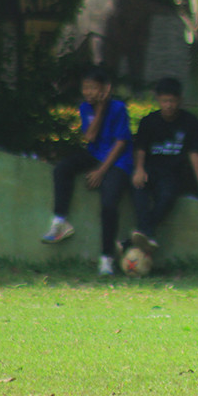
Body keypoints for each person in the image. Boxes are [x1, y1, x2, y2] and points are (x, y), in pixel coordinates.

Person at [42, 67, 134, 276]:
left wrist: (101, 171)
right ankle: (59, 221)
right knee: (62, 170)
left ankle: (106, 259)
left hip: (118, 161)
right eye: (86, 88)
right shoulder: (86, 108)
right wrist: (100, 110)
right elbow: (90, 137)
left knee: (109, 205)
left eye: (93, 88)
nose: (88, 92)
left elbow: (120, 144)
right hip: (94, 154)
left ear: (105, 89)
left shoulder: (119, 108)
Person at [128, 77, 198, 256]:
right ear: (158, 100)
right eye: (165, 101)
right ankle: (145, 234)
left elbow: (195, 155)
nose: (169, 105)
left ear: (179, 100)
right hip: (150, 169)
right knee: (139, 190)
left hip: (173, 173)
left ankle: (137, 237)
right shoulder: (148, 122)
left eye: (172, 101)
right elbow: (140, 148)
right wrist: (139, 169)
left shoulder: (190, 123)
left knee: (167, 196)